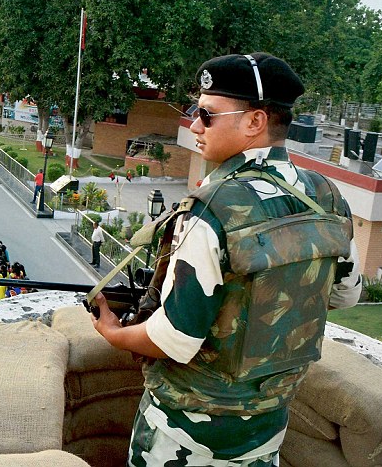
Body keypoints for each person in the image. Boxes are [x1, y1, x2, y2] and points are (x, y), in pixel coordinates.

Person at [91, 53, 361, 465]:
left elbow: (174, 339)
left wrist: (114, 334)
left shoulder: (212, 207)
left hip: (185, 431)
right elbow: (345, 295)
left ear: (255, 121)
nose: (194, 125)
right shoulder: (326, 195)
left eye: (207, 114)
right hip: (265, 427)